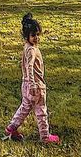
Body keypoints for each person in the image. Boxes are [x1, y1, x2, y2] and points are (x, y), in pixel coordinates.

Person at [5, 12, 60, 144]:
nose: (36, 38)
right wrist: (33, 84)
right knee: (41, 111)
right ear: (27, 36)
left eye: (37, 35)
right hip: (35, 85)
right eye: (33, 35)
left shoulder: (27, 47)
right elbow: (29, 67)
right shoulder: (32, 50)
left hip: (26, 85)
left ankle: (11, 128)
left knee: (24, 108)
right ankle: (45, 136)